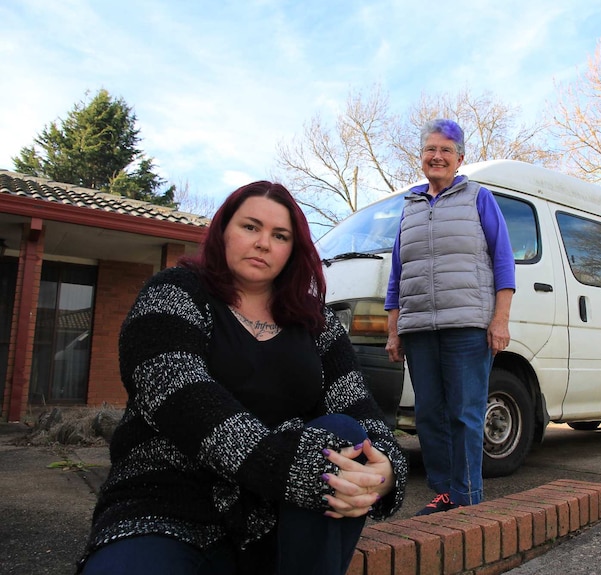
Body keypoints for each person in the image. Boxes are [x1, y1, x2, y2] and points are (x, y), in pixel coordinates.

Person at [77, 181, 408, 575]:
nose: (264, 243)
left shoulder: (316, 324)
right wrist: (282, 467)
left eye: (280, 235)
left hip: (280, 513)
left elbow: (361, 410)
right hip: (166, 501)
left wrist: (385, 471)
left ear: (292, 249)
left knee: (345, 434)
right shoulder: (173, 294)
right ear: (223, 231)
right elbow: (176, 391)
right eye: (250, 227)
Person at [384, 118, 516, 515]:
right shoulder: (409, 207)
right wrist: (394, 329)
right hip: (420, 327)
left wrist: (500, 319)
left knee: (465, 413)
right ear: (421, 156)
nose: (437, 156)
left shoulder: (478, 197)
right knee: (428, 415)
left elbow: (503, 260)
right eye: (430, 149)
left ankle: (468, 499)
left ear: (460, 158)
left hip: (467, 325)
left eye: (446, 150)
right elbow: (397, 273)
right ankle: (442, 494)